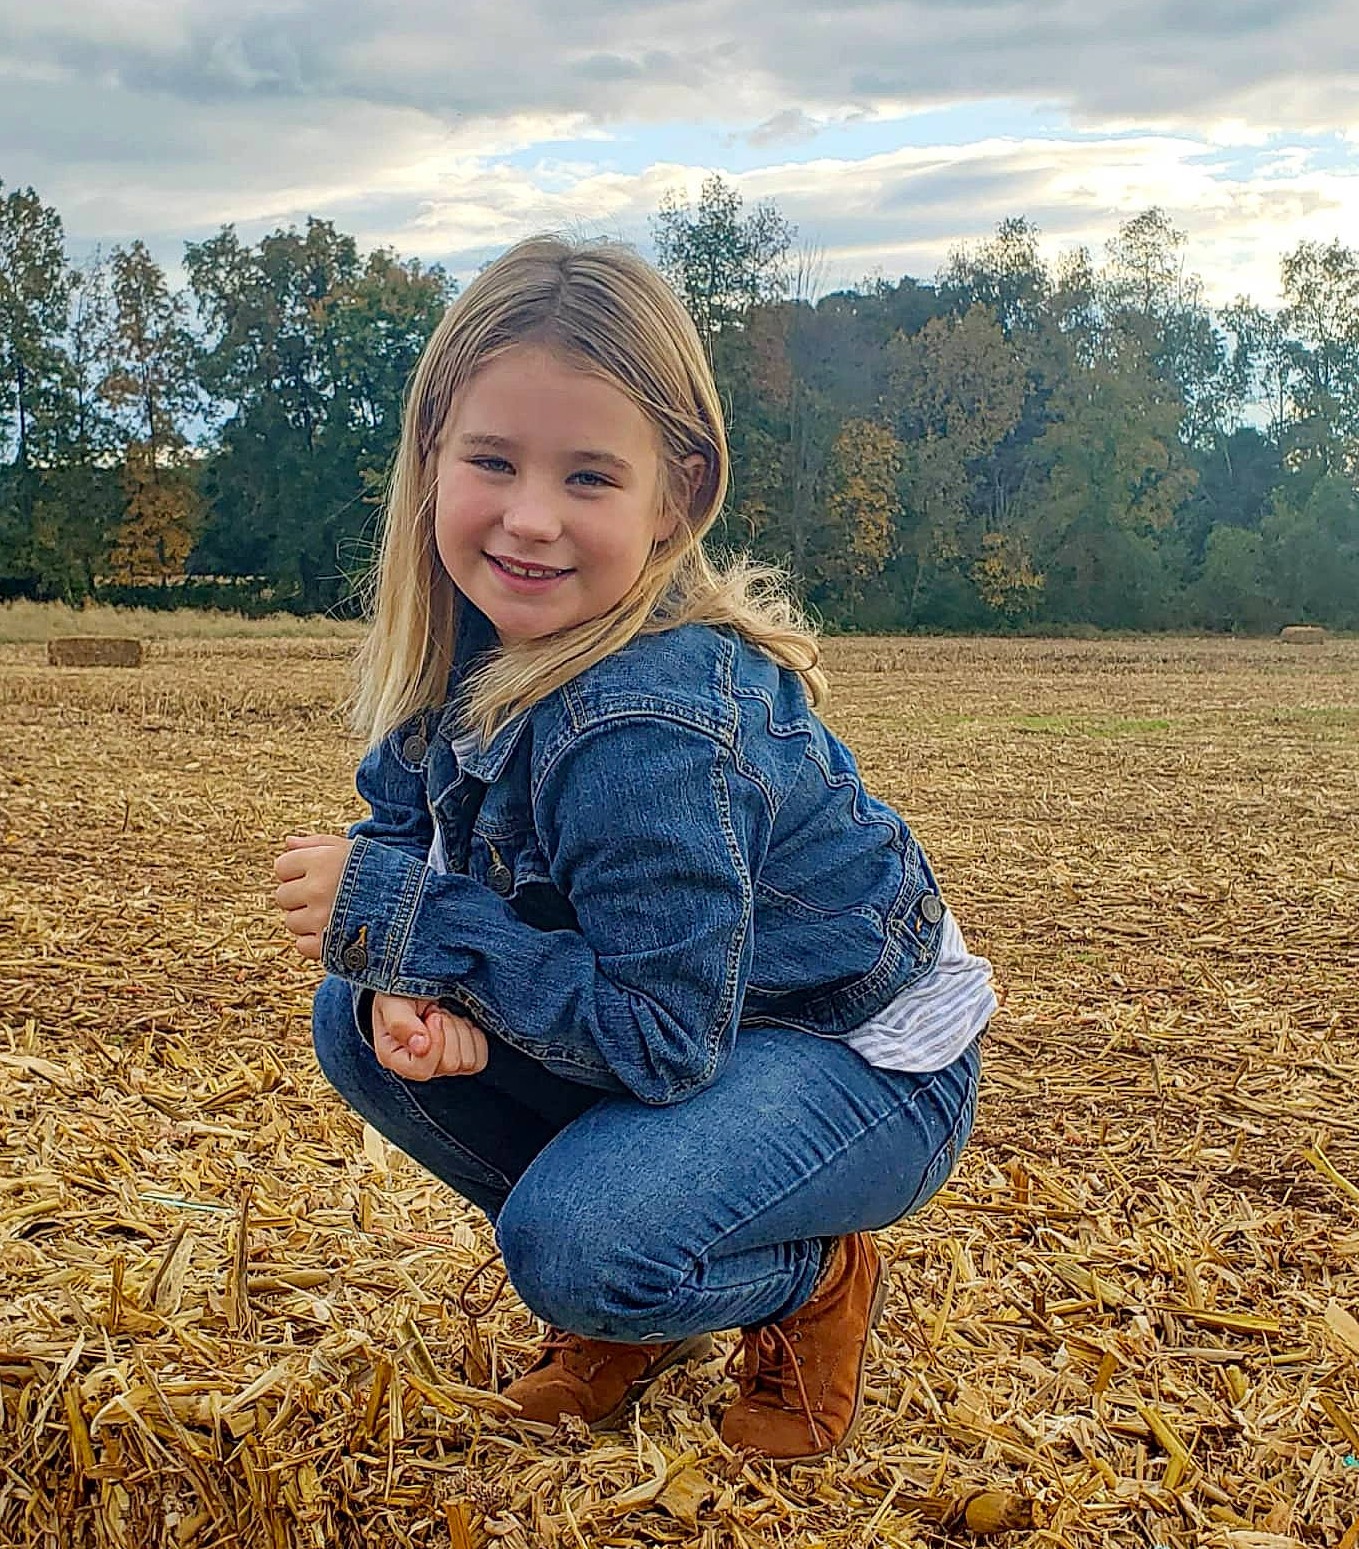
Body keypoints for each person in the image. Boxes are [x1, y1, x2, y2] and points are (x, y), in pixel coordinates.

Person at [273, 236, 994, 1464]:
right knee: (353, 1018)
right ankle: (639, 1298)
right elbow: (408, 822)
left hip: (852, 1060)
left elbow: (661, 1038)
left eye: (589, 477)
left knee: (577, 1247)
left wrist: (419, 927)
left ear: (678, 494)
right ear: (430, 456)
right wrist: (407, 978)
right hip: (691, 1023)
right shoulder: (470, 634)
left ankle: (800, 1280)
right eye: (491, 461)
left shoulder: (647, 727)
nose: (529, 517)